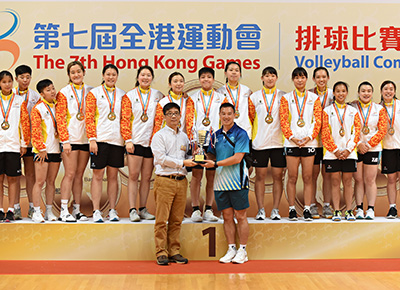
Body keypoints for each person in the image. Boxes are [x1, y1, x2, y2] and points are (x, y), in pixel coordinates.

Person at [202, 102, 250, 264]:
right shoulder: (215, 135)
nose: (226, 116)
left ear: (234, 115)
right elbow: (212, 157)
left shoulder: (241, 133)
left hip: (237, 181)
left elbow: (238, 158)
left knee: (240, 216)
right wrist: (200, 154)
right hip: (220, 182)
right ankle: (231, 248)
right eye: (223, 114)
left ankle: (243, 250)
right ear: (220, 115)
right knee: (227, 216)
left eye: (229, 113)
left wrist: (215, 164)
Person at [151, 102, 197, 266]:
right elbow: (161, 159)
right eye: (169, 113)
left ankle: (174, 251)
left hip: (181, 181)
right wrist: (182, 162)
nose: (173, 116)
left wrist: (195, 155)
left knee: (177, 219)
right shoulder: (159, 136)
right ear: (164, 117)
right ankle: (161, 252)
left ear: (180, 116)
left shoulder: (184, 136)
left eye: (176, 113)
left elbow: (187, 157)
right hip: (165, 180)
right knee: (162, 220)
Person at [121, 66, 163, 222]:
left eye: (148, 75)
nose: (145, 77)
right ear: (138, 77)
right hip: (135, 142)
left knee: (146, 177)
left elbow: (160, 119)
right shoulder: (130, 96)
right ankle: (132, 209)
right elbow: (124, 120)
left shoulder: (158, 96)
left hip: (151, 143)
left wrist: (155, 141)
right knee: (133, 176)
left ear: (152, 77)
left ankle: (143, 208)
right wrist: (128, 140)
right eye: (143, 75)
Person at [280, 67, 322, 221]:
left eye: (302, 77)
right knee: (291, 177)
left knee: (308, 177)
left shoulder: (314, 98)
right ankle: (292, 209)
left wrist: (308, 137)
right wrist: (292, 137)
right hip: (291, 143)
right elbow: (283, 121)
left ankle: (306, 209)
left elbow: (317, 120)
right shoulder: (286, 98)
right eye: (296, 77)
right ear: (293, 80)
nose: (299, 80)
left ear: (307, 79)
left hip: (309, 142)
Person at [86, 64, 125, 222]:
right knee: (97, 176)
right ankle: (96, 210)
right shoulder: (94, 93)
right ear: (103, 75)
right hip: (100, 141)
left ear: (117, 76)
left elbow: (124, 118)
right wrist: (92, 139)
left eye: (113, 74)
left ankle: (112, 210)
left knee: (113, 176)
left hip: (116, 141)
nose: (110, 77)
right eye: (108, 74)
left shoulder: (122, 94)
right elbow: (89, 118)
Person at [56, 61, 93, 222]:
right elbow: (60, 118)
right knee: (70, 174)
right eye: (73, 72)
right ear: (69, 75)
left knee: (79, 175)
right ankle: (64, 210)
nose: (76, 74)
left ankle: (77, 209)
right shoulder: (63, 92)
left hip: (85, 139)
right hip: (70, 140)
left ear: (84, 72)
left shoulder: (91, 91)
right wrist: (65, 140)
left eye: (79, 71)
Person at [249, 66, 286, 220]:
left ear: (276, 78)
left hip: (279, 143)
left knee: (278, 177)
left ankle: (276, 209)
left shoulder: (283, 96)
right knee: (260, 177)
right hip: (260, 143)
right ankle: (261, 210)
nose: (270, 78)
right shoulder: (254, 97)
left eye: (272, 75)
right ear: (262, 78)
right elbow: (250, 118)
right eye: (267, 75)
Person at [321, 81, 361, 221]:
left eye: (343, 91)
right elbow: (325, 133)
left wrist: (348, 150)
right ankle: (337, 210)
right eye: (338, 91)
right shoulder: (327, 111)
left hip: (349, 153)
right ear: (334, 93)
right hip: (332, 154)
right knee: (335, 182)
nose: (341, 94)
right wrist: (336, 150)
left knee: (348, 182)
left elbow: (356, 133)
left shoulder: (353, 111)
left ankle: (349, 211)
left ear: (347, 93)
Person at [189, 67, 222, 222]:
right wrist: (193, 142)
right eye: (203, 77)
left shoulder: (221, 98)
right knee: (196, 176)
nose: (206, 80)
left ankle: (208, 209)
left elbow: (225, 119)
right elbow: (190, 121)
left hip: (214, 143)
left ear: (213, 80)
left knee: (211, 176)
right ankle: (195, 209)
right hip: (198, 142)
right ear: (199, 80)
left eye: (209, 77)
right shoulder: (192, 98)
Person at [351, 81, 387, 220]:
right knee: (358, 179)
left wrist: (368, 145)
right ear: (359, 93)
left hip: (373, 148)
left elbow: (382, 130)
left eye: (369, 91)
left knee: (370, 179)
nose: (366, 93)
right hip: (356, 147)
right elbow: (350, 128)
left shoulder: (379, 109)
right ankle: (359, 208)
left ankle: (370, 209)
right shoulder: (352, 107)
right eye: (363, 91)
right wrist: (359, 143)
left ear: (372, 93)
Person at [0, 71, 30, 222]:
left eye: (9, 81)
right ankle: (0, 209)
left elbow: (24, 124)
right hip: (0, 146)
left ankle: (11, 209)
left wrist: (24, 144)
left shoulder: (19, 100)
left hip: (13, 146)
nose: (7, 84)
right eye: (4, 82)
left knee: (13, 179)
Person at [12, 65, 41, 220]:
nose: (25, 80)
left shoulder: (35, 96)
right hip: (13, 142)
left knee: (30, 175)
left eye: (28, 77)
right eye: (22, 77)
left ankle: (32, 207)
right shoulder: (10, 95)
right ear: (16, 78)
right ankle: (15, 207)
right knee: (14, 176)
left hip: (30, 143)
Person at [31, 79, 61, 223]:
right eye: (48, 90)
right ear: (42, 93)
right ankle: (37, 211)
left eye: (53, 88)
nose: (52, 92)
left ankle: (49, 211)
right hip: (42, 151)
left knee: (51, 181)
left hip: (55, 150)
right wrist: (41, 148)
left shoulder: (59, 107)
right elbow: (35, 130)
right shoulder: (38, 108)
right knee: (40, 181)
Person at [309, 67, 334, 219]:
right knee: (312, 175)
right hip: (313, 142)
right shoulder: (309, 95)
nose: (321, 79)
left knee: (328, 175)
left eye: (324, 76)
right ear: (314, 79)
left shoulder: (333, 94)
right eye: (318, 77)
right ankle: (311, 204)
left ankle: (326, 205)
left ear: (328, 78)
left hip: (329, 141)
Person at [152, 72, 195, 140]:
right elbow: (158, 124)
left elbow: (193, 122)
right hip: (167, 140)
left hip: (184, 140)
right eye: (175, 81)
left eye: (181, 81)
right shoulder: (163, 102)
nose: (178, 84)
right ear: (170, 84)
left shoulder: (188, 101)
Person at [217, 61, 253, 140]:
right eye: (231, 70)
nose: (234, 72)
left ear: (240, 74)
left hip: (245, 130)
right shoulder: (219, 92)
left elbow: (252, 112)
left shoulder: (247, 91)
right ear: (225, 73)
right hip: (227, 131)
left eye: (237, 70)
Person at [379, 80, 400, 219]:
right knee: (391, 179)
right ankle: (392, 208)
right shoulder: (377, 108)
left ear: (394, 91)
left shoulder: (399, 105)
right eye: (386, 89)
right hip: (387, 148)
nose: (388, 91)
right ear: (381, 92)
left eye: (391, 89)